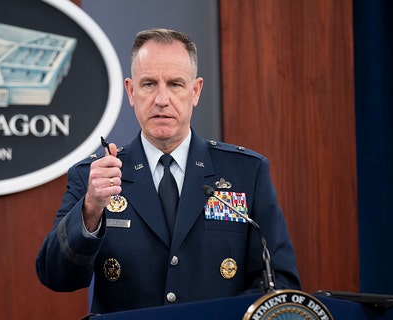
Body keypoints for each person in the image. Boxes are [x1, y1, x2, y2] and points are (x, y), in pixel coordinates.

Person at [35, 28, 300, 314]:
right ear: (131, 91)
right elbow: (55, 276)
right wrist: (90, 209)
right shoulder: (95, 176)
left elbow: (280, 282)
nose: (162, 99)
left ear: (195, 91)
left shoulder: (246, 173)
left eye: (175, 84)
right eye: (149, 84)